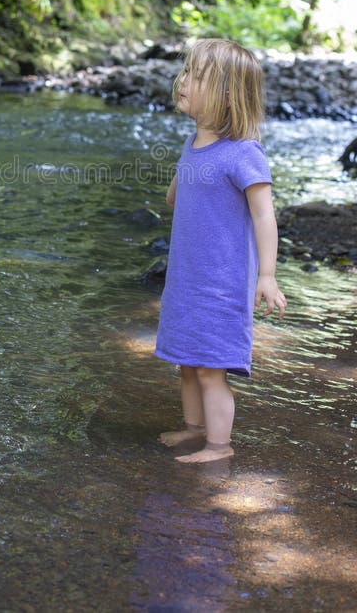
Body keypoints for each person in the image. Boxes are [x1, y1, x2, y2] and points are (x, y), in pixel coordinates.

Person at [155, 37, 286, 464]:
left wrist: (267, 275)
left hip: (221, 285)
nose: (183, 81)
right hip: (187, 281)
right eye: (186, 72)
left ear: (227, 96)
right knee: (187, 362)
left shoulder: (243, 153)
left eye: (196, 76)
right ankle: (193, 431)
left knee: (211, 368)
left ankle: (219, 446)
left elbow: (264, 216)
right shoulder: (192, 146)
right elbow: (176, 197)